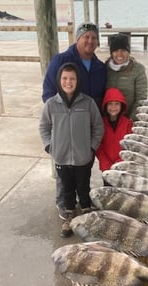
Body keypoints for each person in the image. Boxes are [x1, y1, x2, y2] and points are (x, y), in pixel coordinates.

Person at [42, 22, 106, 220]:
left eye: (93, 37)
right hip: (64, 121)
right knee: (65, 173)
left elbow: (103, 95)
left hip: (87, 122)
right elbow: (48, 92)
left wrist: (93, 145)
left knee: (82, 171)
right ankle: (65, 205)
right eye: (85, 36)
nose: (90, 41)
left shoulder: (100, 66)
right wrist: (52, 142)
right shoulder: (61, 60)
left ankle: (84, 203)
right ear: (77, 39)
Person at [39, 62, 104, 237]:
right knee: (67, 189)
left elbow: (98, 127)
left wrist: (92, 148)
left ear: (78, 80)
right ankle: (69, 216)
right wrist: (49, 146)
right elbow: (44, 127)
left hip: (83, 157)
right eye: (65, 78)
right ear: (59, 81)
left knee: (83, 187)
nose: (68, 82)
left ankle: (86, 213)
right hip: (61, 158)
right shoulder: (52, 104)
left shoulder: (88, 103)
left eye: (72, 78)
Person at [106, 33, 148, 120]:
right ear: (111, 52)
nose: (119, 54)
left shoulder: (138, 69)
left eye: (123, 50)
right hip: (108, 120)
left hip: (128, 118)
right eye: (116, 51)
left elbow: (141, 98)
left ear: (128, 51)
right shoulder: (104, 68)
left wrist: (130, 121)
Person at [96, 87, 133, 173]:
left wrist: (119, 163)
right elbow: (99, 147)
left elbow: (130, 146)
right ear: (105, 105)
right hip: (107, 168)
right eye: (110, 104)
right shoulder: (101, 123)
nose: (113, 107)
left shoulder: (127, 123)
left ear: (121, 105)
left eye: (117, 104)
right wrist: (106, 165)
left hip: (123, 167)